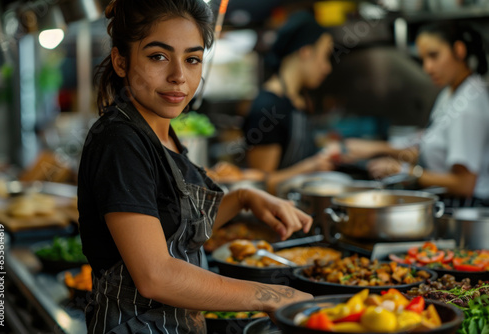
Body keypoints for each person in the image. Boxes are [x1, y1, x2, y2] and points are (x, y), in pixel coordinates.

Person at [77, 1, 313, 333]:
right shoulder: (119, 141)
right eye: (158, 56)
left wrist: (245, 197)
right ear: (121, 61)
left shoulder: (163, 133)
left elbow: (176, 227)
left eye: (192, 59)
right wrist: (272, 295)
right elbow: (155, 275)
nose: (178, 76)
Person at [341, 21, 489, 206]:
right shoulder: (451, 93)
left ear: (459, 50)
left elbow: (464, 184)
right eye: (423, 59)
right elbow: (428, 149)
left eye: (434, 56)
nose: (427, 67)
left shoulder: (469, 106)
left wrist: (405, 171)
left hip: (467, 209)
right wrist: (376, 148)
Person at [242, 11, 335, 194]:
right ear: (306, 52)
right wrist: (311, 166)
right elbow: (260, 185)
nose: (327, 67)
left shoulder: (300, 101)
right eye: (325, 56)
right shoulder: (267, 108)